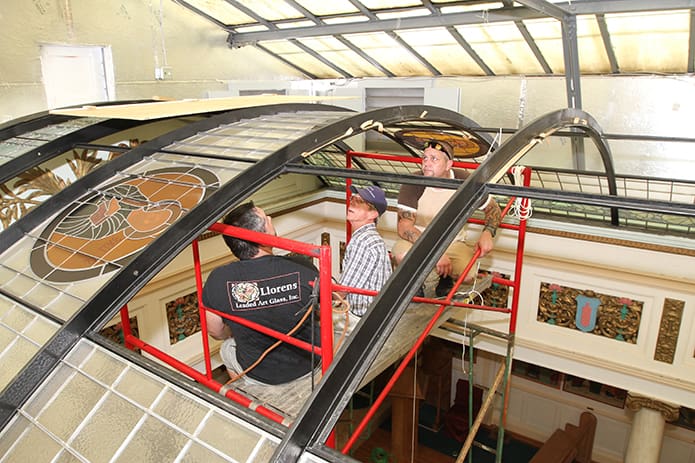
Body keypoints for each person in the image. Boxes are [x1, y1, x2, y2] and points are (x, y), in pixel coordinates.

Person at [202, 201, 321, 385]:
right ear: (262, 236)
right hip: (310, 365)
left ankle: (247, 398)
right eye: (266, 219)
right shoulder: (302, 266)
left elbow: (215, 331)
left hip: (261, 374)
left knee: (226, 348)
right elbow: (321, 311)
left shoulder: (218, 279)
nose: (271, 219)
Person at [392, 139, 502, 297]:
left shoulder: (465, 181)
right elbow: (404, 227)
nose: (427, 163)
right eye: (424, 158)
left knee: (468, 276)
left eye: (434, 159)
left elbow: (493, 209)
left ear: (449, 164)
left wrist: (487, 233)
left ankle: (445, 277)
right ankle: (415, 284)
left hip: (452, 242)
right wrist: (434, 254)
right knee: (401, 255)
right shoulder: (413, 182)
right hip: (417, 239)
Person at [337, 185, 392, 333]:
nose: (352, 204)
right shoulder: (366, 238)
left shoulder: (363, 242)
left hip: (363, 321)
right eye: (352, 199)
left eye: (359, 202)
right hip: (371, 314)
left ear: (373, 214)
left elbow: (342, 291)